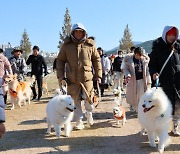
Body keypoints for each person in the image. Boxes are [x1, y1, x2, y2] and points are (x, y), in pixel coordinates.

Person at [56, 23, 102, 130]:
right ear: (73, 33)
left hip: (87, 79)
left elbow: (97, 60)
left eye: (80, 32)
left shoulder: (90, 45)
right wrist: (60, 76)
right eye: (76, 32)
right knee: (74, 101)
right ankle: (79, 121)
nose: (78, 34)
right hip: (72, 79)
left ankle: (89, 114)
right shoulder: (66, 46)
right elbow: (60, 61)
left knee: (89, 100)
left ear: (84, 33)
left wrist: (98, 75)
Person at [149, 25, 180, 136]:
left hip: (177, 82)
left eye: (174, 35)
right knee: (162, 108)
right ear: (165, 34)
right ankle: (160, 129)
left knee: (177, 107)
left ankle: (175, 127)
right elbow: (152, 64)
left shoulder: (178, 47)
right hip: (163, 82)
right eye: (169, 35)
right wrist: (153, 73)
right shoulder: (157, 48)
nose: (171, 37)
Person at [123, 47, 151, 112]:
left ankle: (141, 109)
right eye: (138, 55)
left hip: (142, 80)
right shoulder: (129, 60)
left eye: (140, 55)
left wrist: (148, 80)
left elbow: (147, 71)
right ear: (135, 54)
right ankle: (135, 108)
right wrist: (128, 75)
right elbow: (125, 69)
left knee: (142, 95)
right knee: (134, 96)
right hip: (133, 81)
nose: (139, 56)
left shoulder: (144, 60)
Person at [0, 48, 12, 138]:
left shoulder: (3, 58)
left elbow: (8, 66)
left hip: (2, 79)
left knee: (3, 94)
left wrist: (9, 74)